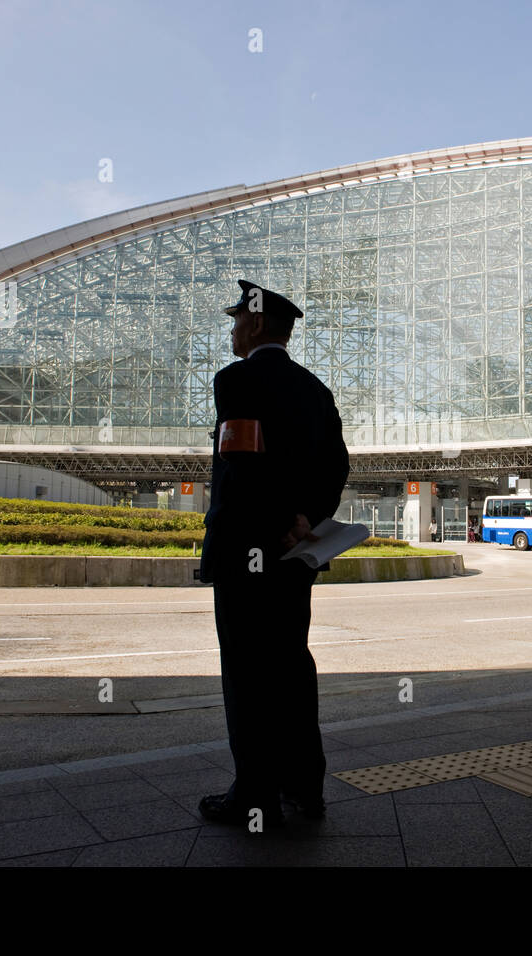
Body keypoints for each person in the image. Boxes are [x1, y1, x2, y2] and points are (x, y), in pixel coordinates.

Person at [198, 279, 350, 827]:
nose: (234, 328)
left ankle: (254, 796)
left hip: (247, 551)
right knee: (290, 666)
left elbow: (241, 462)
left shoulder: (237, 379)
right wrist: (303, 519)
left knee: (246, 673)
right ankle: (305, 788)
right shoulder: (316, 390)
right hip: (295, 556)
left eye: (237, 319)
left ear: (257, 324)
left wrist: (270, 524)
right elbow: (336, 468)